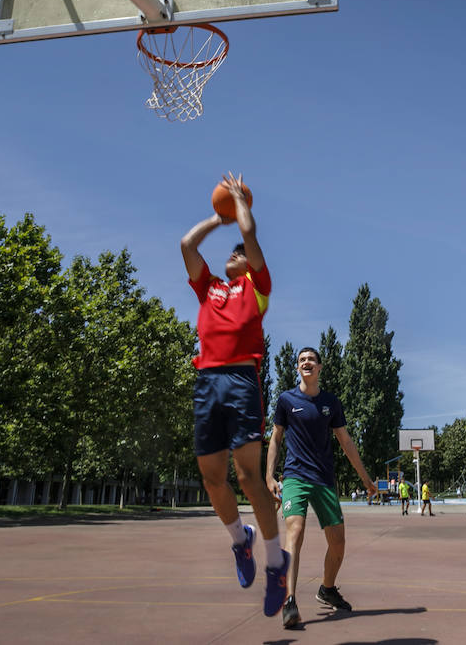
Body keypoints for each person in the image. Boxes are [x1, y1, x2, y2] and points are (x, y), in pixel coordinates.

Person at [180, 173, 288, 617]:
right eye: (231, 252)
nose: (233, 253)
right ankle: (239, 542)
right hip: (208, 382)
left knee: (247, 477)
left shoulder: (257, 291)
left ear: (250, 265)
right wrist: (216, 218)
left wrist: (241, 206)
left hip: (242, 383)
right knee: (211, 478)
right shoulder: (209, 289)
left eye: (239, 254)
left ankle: (276, 564)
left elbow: (250, 235)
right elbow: (187, 246)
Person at [268, 346, 378, 629]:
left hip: (324, 480)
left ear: (319, 368)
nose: (307, 363)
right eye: (302, 360)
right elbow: (276, 438)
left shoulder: (331, 403)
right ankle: (289, 601)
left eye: (311, 360)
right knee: (296, 531)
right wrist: (269, 476)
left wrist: (365, 479)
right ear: (297, 368)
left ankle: (327, 589)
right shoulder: (285, 400)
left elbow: (346, 442)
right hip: (294, 477)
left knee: (338, 543)